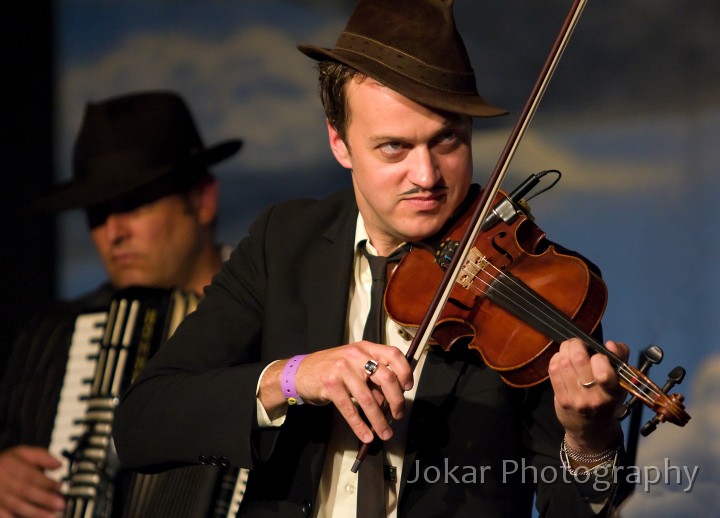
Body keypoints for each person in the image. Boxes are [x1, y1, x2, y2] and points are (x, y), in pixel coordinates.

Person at [114, 2, 632, 517]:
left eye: (447, 139)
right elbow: (142, 424)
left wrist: (590, 444)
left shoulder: (541, 281)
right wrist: (294, 377)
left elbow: (571, 508)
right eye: (393, 148)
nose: (427, 176)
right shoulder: (284, 242)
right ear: (340, 142)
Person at [0, 90, 242, 517]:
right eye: (97, 213)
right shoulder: (55, 335)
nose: (113, 233)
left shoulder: (276, 314)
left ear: (203, 200)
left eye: (135, 205)